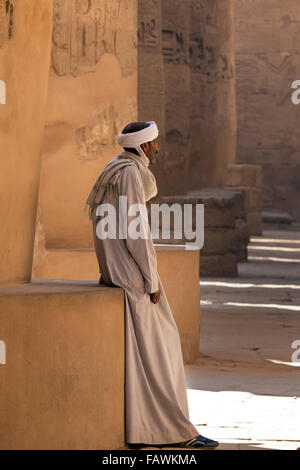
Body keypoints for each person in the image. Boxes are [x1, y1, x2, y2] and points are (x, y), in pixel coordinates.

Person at [84, 121, 219, 449]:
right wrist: (151, 279)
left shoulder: (114, 167)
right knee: (164, 350)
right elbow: (137, 232)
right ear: (144, 147)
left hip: (118, 271)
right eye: (154, 143)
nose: (158, 148)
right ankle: (175, 431)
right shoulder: (129, 173)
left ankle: (149, 430)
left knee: (147, 353)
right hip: (132, 275)